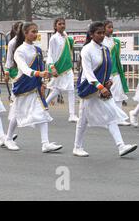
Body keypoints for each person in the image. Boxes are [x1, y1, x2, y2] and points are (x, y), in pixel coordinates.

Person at [74, 22, 136, 157]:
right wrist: (100, 87)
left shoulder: (105, 49)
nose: (102, 35)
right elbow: (89, 73)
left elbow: (107, 68)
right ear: (91, 35)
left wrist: (108, 82)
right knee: (83, 120)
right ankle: (77, 147)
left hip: (102, 88)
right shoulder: (86, 50)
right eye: (99, 33)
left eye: (103, 33)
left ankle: (121, 147)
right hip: (89, 89)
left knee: (111, 114)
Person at [4, 22, 63, 153]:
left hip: (35, 85)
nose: (35, 34)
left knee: (42, 112)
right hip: (23, 84)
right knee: (16, 112)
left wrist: (42, 81)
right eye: (33, 32)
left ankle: (45, 143)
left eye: (36, 32)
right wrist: (38, 73)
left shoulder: (37, 50)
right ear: (25, 33)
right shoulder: (19, 50)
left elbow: (41, 67)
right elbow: (24, 69)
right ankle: (8, 138)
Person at [45, 18, 78, 123]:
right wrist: (52, 67)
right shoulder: (53, 38)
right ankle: (42, 108)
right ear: (55, 26)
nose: (62, 26)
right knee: (56, 90)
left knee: (71, 89)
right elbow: (50, 54)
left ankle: (72, 115)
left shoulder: (66, 36)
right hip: (58, 68)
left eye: (63, 24)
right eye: (59, 24)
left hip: (68, 68)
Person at [103, 21, 130, 126]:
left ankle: (119, 118)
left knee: (118, 95)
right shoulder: (101, 42)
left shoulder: (116, 42)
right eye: (109, 27)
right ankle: (105, 118)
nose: (111, 29)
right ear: (104, 28)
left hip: (116, 72)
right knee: (105, 97)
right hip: (106, 74)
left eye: (112, 27)